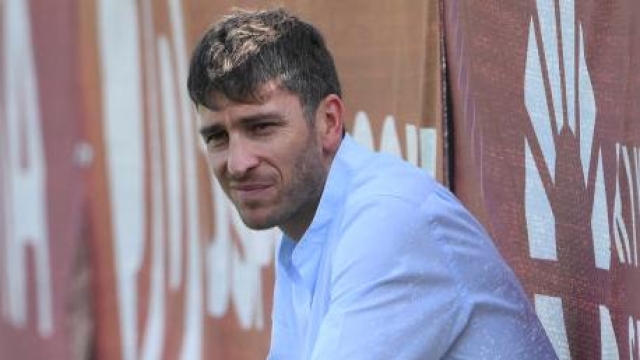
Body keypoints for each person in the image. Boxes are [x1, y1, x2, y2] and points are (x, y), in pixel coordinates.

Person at [187, 8, 558, 360]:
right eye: (217, 137)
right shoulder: (304, 230)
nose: (237, 164)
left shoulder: (387, 219)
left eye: (261, 128)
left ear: (329, 122)